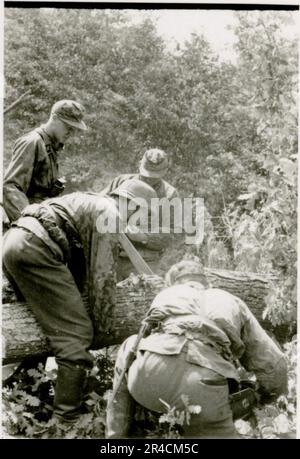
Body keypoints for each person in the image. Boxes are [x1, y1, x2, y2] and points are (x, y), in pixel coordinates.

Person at [2, 179, 158, 423]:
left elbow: (80, 270)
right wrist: (102, 328)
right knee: (75, 335)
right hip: (36, 248)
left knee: (45, 328)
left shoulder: (90, 202)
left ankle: (28, 396)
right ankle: (66, 421)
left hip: (14, 242)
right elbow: (102, 276)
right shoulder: (110, 214)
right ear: (132, 203)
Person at [106, 259, 288, 439]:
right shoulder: (229, 300)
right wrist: (265, 397)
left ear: (173, 284)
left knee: (130, 344)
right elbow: (273, 365)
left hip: (146, 381)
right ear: (206, 283)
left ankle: (115, 437)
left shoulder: (166, 296)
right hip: (203, 387)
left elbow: (139, 343)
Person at [3, 99, 87, 223]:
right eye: (68, 127)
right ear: (54, 118)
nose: (71, 133)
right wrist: (27, 221)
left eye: (74, 129)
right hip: (29, 217)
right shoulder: (33, 142)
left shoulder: (51, 147)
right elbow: (10, 187)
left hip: (43, 213)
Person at [100, 149, 179, 280]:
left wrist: (144, 237)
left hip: (144, 258)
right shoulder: (121, 182)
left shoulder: (169, 194)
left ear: (165, 171)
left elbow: (172, 234)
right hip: (111, 253)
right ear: (139, 165)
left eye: (154, 177)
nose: (148, 180)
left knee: (141, 294)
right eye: (146, 175)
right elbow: (99, 205)